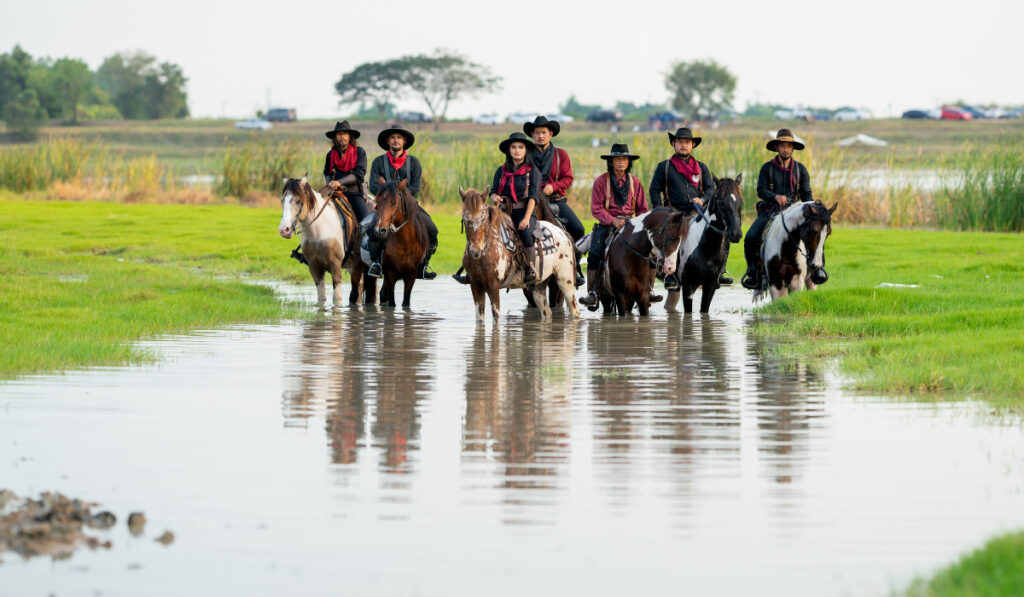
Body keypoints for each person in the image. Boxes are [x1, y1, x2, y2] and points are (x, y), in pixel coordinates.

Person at [648, 127, 732, 289]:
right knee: (673, 236)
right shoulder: (664, 167)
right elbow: (654, 190)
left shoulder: (702, 168)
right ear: (673, 144)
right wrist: (660, 210)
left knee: (722, 231)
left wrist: (702, 199)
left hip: (697, 212)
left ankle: (720, 271)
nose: (683, 145)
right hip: (673, 213)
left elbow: (710, 189)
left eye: (687, 142)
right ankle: (670, 275)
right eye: (680, 142)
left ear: (693, 145)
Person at [741, 128, 814, 289]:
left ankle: (816, 269)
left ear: (793, 148)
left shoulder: (801, 169)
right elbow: (761, 190)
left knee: (815, 233)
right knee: (750, 237)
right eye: (782, 146)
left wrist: (812, 209)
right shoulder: (766, 168)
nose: (785, 149)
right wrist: (775, 197)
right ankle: (753, 273)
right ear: (776, 147)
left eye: (789, 146)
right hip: (771, 211)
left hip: (795, 212)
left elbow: (806, 193)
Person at [579, 143, 649, 310]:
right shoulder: (601, 181)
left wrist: (636, 224)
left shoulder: (636, 183)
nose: (621, 162)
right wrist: (612, 221)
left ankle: (648, 289)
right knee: (595, 252)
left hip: (631, 224)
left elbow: (643, 209)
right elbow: (596, 208)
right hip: (607, 224)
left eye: (624, 159)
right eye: (617, 159)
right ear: (611, 161)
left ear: (628, 162)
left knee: (649, 252)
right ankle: (593, 292)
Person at [368, 125, 438, 280]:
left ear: (404, 141)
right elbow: (373, 185)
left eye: (399, 137)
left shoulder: (414, 162)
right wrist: (388, 192)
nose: (396, 140)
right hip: (386, 207)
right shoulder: (378, 162)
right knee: (371, 230)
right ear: (388, 141)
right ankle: (376, 264)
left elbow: (415, 187)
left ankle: (422, 265)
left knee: (432, 230)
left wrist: (399, 194)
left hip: (410, 207)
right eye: (392, 137)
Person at [524, 116, 585, 287]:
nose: (540, 136)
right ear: (532, 135)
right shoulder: (526, 155)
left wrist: (554, 186)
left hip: (555, 201)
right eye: (537, 133)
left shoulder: (561, 155)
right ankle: (521, 267)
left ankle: (574, 267)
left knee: (578, 229)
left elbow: (568, 178)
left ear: (551, 134)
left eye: (544, 132)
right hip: (531, 202)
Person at [489, 132, 543, 285]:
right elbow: (493, 191)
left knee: (525, 233)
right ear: (509, 150)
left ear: (526, 150)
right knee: (481, 227)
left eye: (521, 147)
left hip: (524, 212)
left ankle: (530, 269)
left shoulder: (533, 172)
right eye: (513, 147)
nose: (517, 150)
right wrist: (494, 197)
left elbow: (533, 197)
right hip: (503, 212)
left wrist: (526, 218)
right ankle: (474, 269)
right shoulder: (501, 170)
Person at [322, 121, 368, 222]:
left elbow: (359, 174)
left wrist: (339, 182)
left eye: (344, 134)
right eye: (339, 134)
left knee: (366, 223)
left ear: (349, 136)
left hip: (354, 193)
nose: (342, 136)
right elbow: (327, 172)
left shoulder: (359, 152)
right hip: (336, 193)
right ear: (335, 137)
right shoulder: (331, 154)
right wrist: (330, 185)